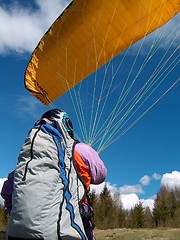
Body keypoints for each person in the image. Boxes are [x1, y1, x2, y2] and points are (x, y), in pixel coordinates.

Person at [1, 109, 107, 240]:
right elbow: (101, 176)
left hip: (19, 231)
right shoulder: (80, 148)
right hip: (74, 218)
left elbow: (7, 190)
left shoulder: (30, 157)